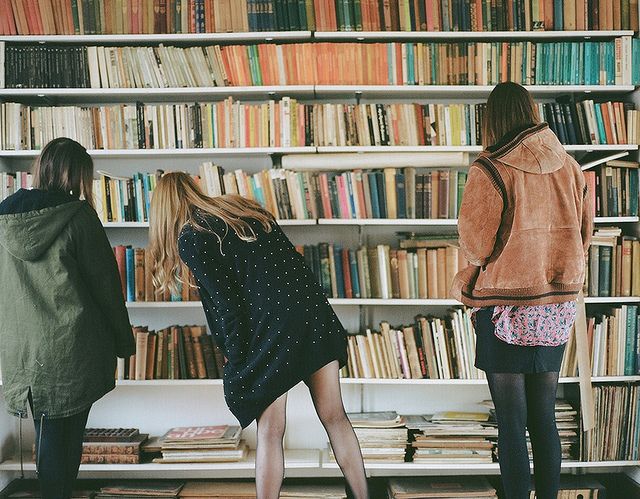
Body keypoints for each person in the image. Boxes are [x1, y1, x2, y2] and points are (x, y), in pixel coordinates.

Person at [149, 172, 369, 499]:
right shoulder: (243, 209)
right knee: (335, 417)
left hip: (274, 327)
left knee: (269, 430)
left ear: (162, 213)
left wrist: (236, 358)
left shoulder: (192, 236)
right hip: (312, 311)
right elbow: (291, 264)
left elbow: (228, 307)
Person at [451, 82, 593, 499]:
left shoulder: (490, 167)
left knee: (511, 421)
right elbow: (584, 237)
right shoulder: (569, 165)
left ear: (492, 119)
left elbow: (476, 247)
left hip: (504, 308)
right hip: (555, 306)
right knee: (543, 418)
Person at [0, 138, 135, 499]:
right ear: (77, 175)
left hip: (20, 352)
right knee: (65, 444)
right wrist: (125, 342)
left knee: (48, 439)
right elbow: (106, 287)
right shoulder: (78, 216)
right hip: (70, 350)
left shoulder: (2, 218)